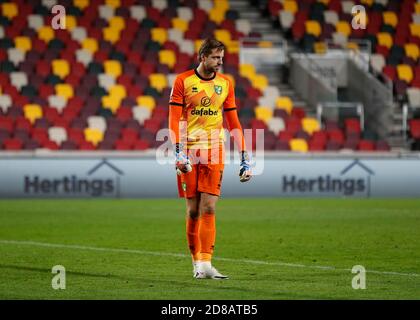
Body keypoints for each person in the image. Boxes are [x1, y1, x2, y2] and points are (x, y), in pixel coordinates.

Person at [168, 38, 252, 280]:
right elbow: (173, 118)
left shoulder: (225, 84)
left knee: (210, 207)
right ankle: (196, 263)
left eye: (222, 58)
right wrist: (177, 150)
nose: (220, 62)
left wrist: (245, 155)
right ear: (203, 56)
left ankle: (206, 264)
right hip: (189, 151)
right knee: (193, 210)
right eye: (215, 57)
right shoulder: (183, 81)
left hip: (215, 150)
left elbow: (233, 122)